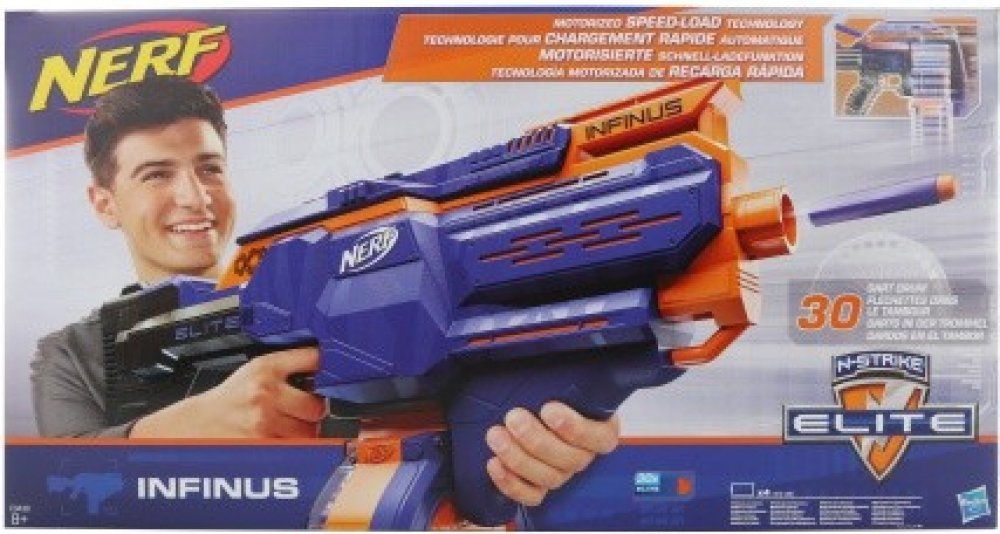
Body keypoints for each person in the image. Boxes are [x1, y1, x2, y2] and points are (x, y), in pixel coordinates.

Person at [30, 76, 620, 508]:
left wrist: (560, 415)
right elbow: (47, 485)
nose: (195, 197)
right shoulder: (73, 352)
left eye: (210, 168)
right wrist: (187, 428)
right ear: (103, 203)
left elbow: (480, 416)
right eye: (156, 174)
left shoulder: (327, 280)